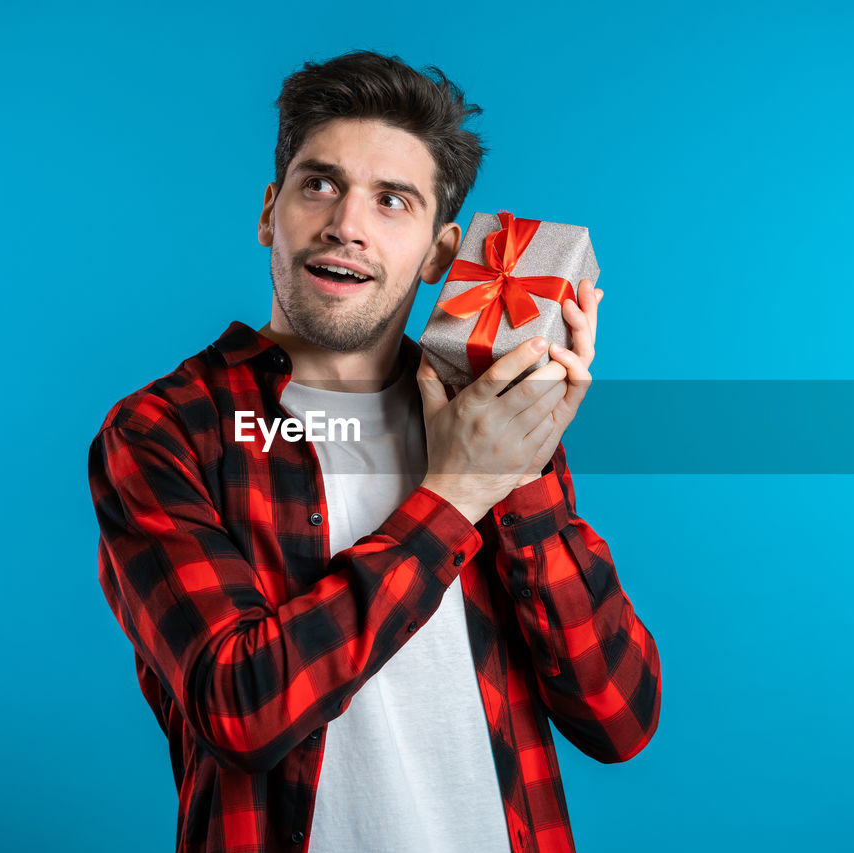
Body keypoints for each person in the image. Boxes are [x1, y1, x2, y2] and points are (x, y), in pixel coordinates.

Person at [88, 50, 661, 853]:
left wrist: (522, 478)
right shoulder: (169, 431)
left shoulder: (490, 418)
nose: (346, 224)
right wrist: (456, 495)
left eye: (393, 201)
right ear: (268, 211)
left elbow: (620, 717)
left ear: (438, 252)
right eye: (319, 184)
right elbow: (242, 706)